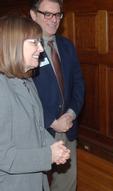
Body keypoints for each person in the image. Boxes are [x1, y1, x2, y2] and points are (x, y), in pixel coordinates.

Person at [0, 15, 70, 191]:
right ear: (13, 44)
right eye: (34, 42)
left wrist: (52, 145)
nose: (41, 48)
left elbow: (37, 127)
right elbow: (4, 156)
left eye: (40, 42)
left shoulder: (27, 80)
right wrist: (48, 155)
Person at [30, 0, 85, 191]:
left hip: (67, 127)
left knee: (67, 183)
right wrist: (52, 121)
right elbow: (25, 93)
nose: (54, 20)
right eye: (47, 14)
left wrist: (71, 113)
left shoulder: (68, 46)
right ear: (33, 14)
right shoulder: (24, 48)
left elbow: (78, 84)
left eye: (58, 14)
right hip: (37, 130)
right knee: (38, 184)